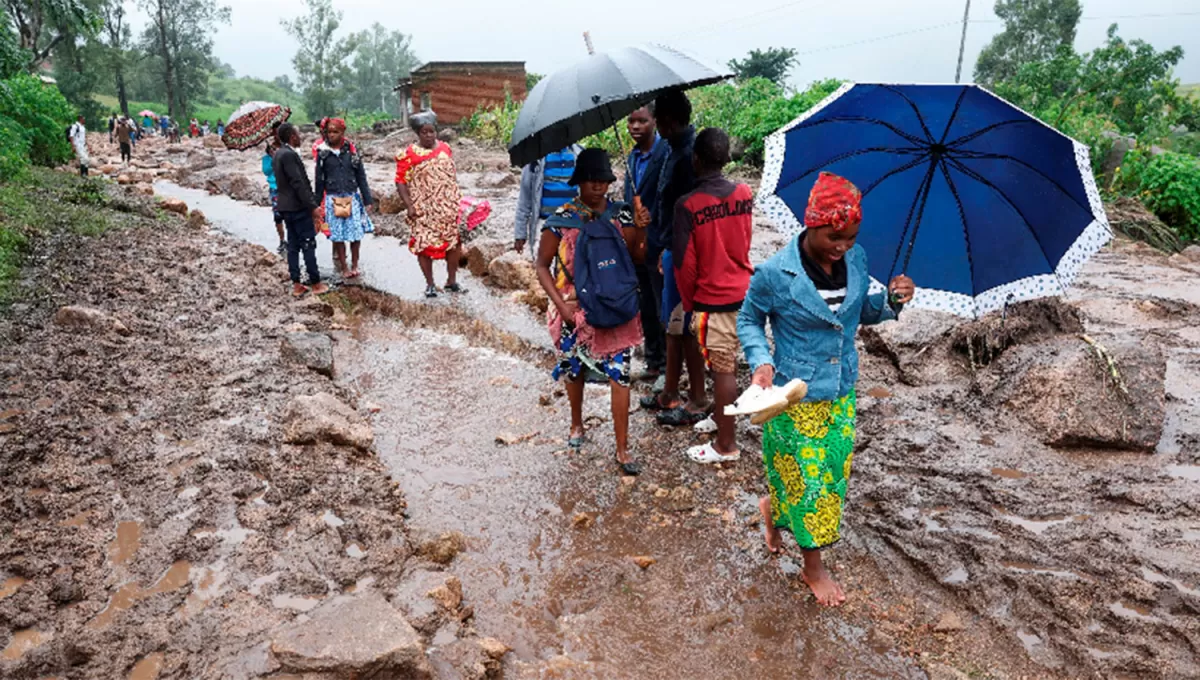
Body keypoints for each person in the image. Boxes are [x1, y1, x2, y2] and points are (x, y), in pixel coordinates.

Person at [739, 171, 914, 606]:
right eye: (834, 236)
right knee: (811, 485)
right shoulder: (774, 273)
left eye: (851, 238)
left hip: (840, 392)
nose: (842, 247)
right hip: (792, 394)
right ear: (811, 223)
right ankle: (812, 567)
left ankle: (772, 511)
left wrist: (891, 301)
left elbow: (857, 314)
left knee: (829, 477)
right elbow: (748, 320)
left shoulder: (857, 262)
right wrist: (761, 362)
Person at [536, 149, 646, 476]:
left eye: (604, 180)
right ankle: (576, 424)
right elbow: (542, 266)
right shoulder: (560, 219)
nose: (598, 187)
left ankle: (623, 448)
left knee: (620, 376)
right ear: (579, 182)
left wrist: (640, 228)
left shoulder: (623, 215)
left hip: (616, 307)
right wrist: (560, 306)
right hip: (573, 311)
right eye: (591, 181)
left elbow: (636, 259)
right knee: (574, 370)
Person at [673, 128, 754, 465]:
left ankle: (726, 445)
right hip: (746, 292)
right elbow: (744, 239)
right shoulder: (745, 192)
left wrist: (690, 305)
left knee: (723, 370)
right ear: (726, 158)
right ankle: (722, 420)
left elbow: (684, 264)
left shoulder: (688, 206)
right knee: (726, 363)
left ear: (695, 159)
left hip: (713, 297)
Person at [640, 90, 709, 427]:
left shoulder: (688, 156)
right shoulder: (672, 149)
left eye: (658, 120)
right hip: (667, 249)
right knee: (673, 326)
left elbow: (686, 214)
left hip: (678, 254)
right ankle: (671, 390)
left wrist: (670, 251)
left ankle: (697, 397)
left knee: (684, 329)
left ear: (668, 120)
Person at [395, 111, 465, 298]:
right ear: (417, 133)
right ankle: (430, 283)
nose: (428, 135)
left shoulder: (445, 149)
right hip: (422, 209)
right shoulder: (408, 155)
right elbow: (401, 181)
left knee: (453, 243)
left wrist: (455, 198)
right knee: (423, 245)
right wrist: (409, 205)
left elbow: (450, 176)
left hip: (447, 207)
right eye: (424, 132)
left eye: (431, 131)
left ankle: (451, 281)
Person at [623, 105, 669, 384]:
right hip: (636, 243)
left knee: (661, 302)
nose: (635, 126)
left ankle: (667, 366)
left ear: (654, 121)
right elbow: (629, 200)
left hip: (659, 241)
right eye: (631, 121)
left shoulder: (664, 155)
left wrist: (653, 217)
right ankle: (653, 361)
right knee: (645, 304)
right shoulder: (632, 157)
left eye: (641, 120)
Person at [273, 122, 329, 298]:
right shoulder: (289, 155)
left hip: (285, 207)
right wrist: (312, 206)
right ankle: (316, 283)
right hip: (297, 207)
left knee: (293, 245)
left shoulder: (277, 154)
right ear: (292, 137)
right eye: (298, 134)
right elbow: (298, 183)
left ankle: (297, 284)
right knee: (308, 243)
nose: (300, 137)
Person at [315, 117, 374, 279]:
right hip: (333, 198)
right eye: (329, 132)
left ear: (343, 133)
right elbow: (319, 180)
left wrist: (367, 199)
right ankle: (344, 267)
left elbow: (361, 177)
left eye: (336, 132)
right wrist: (316, 204)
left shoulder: (352, 153)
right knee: (338, 235)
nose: (332, 135)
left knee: (356, 233)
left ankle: (355, 265)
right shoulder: (323, 154)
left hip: (351, 197)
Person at [514, 145, 581, 259]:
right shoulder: (534, 159)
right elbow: (525, 198)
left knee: (570, 270)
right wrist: (520, 233)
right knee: (544, 267)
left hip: (573, 225)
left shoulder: (579, 154)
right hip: (545, 226)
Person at [262, 138, 286, 255]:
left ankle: (291, 239)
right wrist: (273, 159)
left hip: (286, 188)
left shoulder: (284, 155)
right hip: (275, 188)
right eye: (272, 147)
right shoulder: (266, 159)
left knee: (290, 214)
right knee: (278, 216)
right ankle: (282, 239)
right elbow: (266, 171)